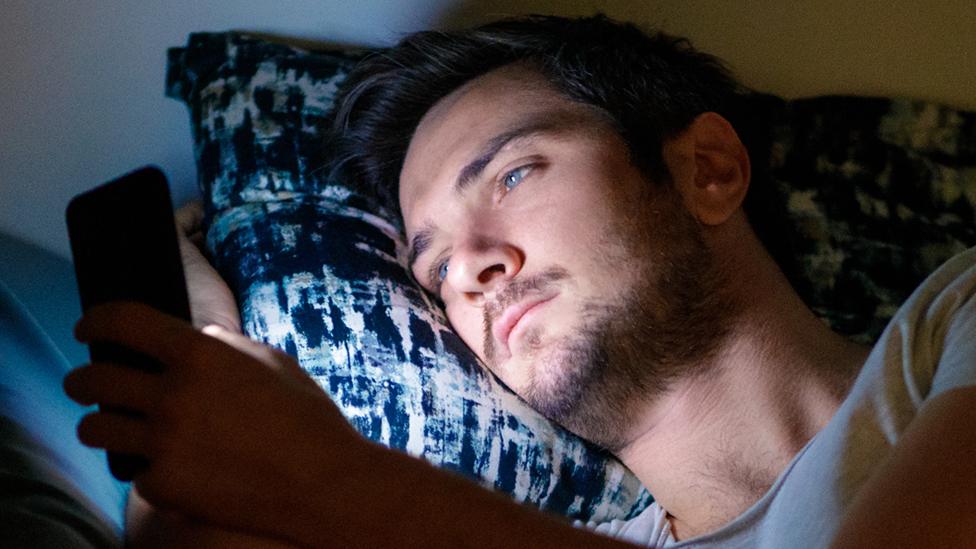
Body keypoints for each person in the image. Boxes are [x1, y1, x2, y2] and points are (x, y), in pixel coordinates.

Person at [63, 15, 976, 548]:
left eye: (513, 174)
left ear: (707, 169)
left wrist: (333, 475)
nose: (470, 270)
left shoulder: (958, 320)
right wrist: (206, 364)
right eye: (432, 266)